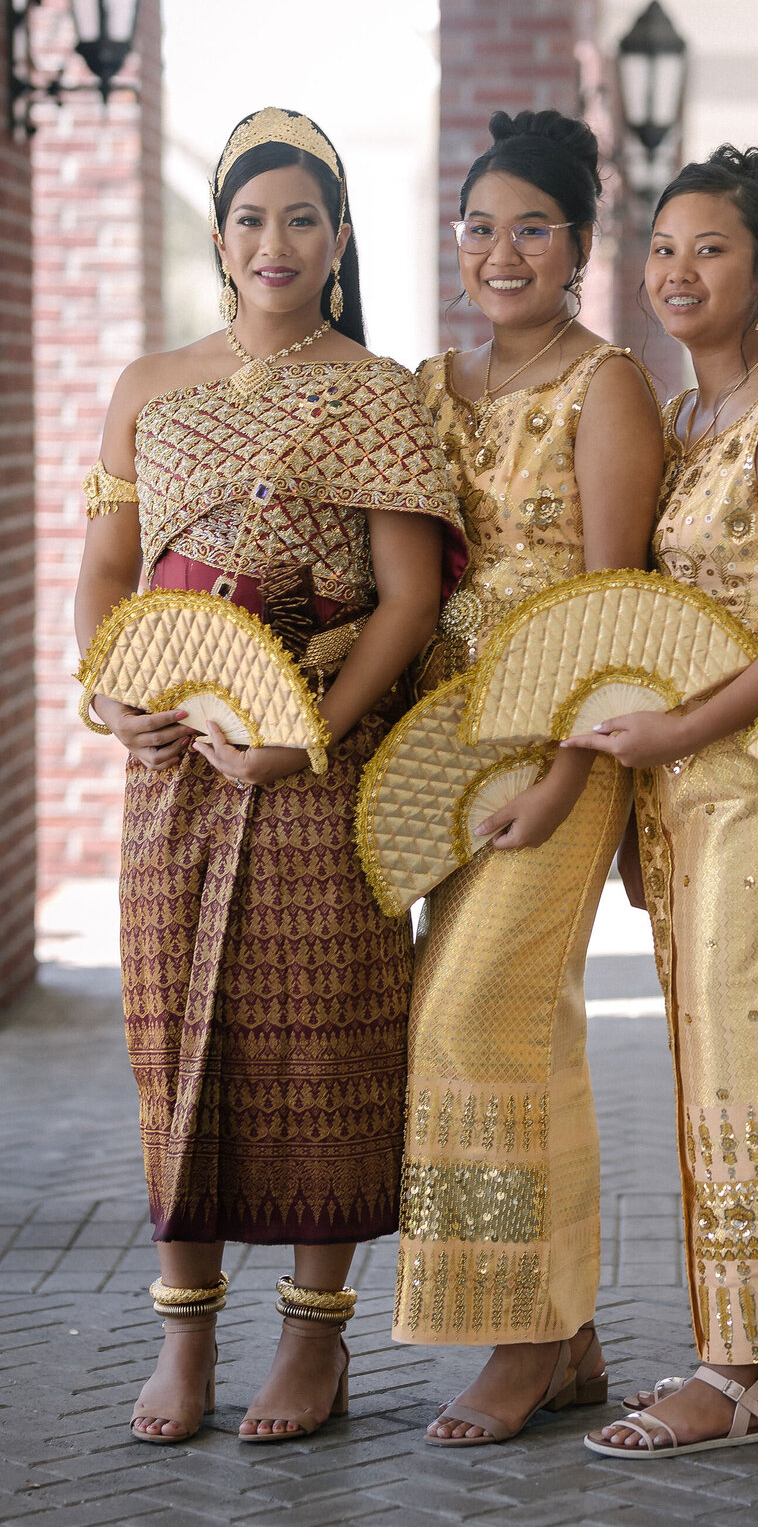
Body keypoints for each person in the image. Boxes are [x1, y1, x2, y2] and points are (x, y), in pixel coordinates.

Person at [74, 107, 465, 1446]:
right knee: (175, 1038)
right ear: (220, 238)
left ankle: (314, 1345)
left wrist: (311, 731)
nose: (275, 242)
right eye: (251, 219)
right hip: (175, 756)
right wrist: (109, 690)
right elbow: (104, 577)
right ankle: (183, 1341)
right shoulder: (148, 386)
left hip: (318, 755)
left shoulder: (379, 391)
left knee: (323, 1047)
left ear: (341, 238)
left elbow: (410, 599)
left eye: (303, 218)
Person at [566, 146, 758, 1460]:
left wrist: (678, 732)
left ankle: (746, 1369)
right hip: (682, 806)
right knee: (704, 1078)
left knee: (753, 1078)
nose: (682, 272)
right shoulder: (684, 422)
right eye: (667, 249)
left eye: (714, 251)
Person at [395, 108, 663, 1445]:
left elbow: (618, 601)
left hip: (567, 748)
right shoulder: (434, 386)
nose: (504, 251)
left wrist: (564, 779)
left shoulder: (605, 384)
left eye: (534, 229)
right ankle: (570, 1339)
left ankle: (530, 1328)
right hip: (443, 756)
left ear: (578, 247)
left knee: (477, 1022)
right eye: (482, 226)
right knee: (510, 1028)